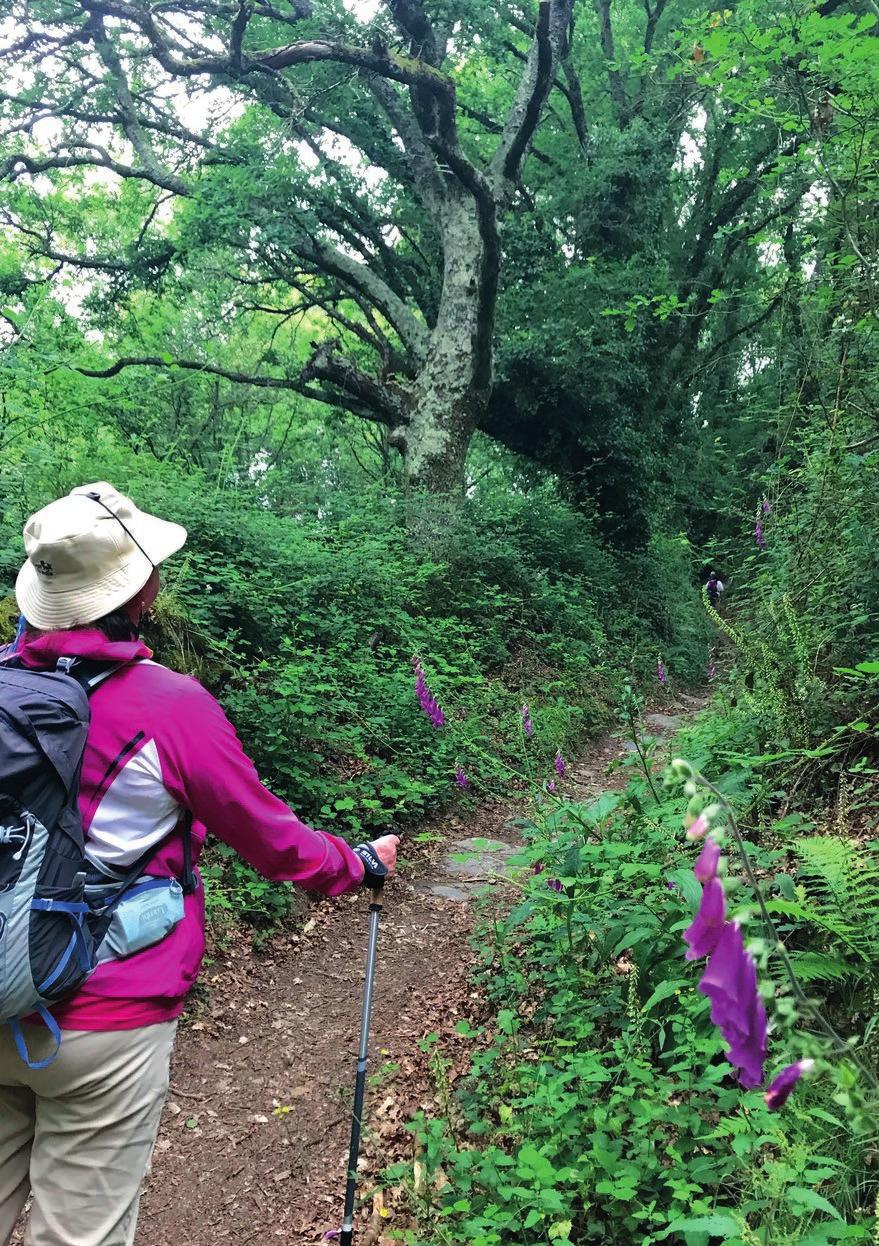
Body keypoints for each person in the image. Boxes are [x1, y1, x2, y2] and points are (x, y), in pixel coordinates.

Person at [0, 482, 399, 1246]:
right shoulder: (168, 705)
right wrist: (356, 865)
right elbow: (272, 840)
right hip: (103, 1014)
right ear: (141, 589)